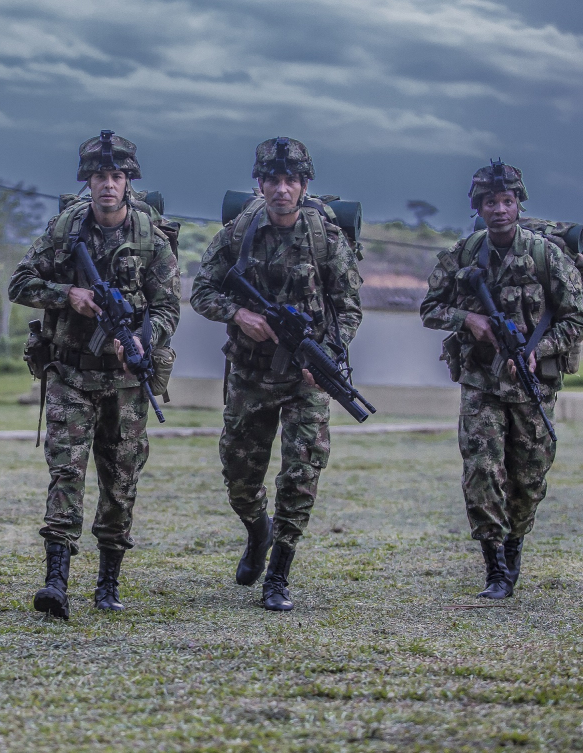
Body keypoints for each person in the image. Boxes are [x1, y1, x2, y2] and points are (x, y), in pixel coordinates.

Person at [8, 131, 180, 619]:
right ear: (88, 181)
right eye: (100, 176)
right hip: (72, 374)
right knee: (66, 472)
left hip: (126, 382)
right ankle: (55, 582)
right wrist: (69, 296)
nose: (108, 184)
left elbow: (169, 306)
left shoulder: (151, 239)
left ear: (128, 182)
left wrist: (146, 340)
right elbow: (19, 283)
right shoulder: (64, 231)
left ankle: (109, 583)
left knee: (120, 480)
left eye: (117, 176)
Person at [190, 137, 363, 612]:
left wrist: (327, 353)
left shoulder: (326, 238)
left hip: (305, 375)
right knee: (239, 475)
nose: (282, 189)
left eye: (291, 180)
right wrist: (240, 315)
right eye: (273, 180)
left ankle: (280, 573)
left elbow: (348, 307)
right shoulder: (238, 233)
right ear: (260, 183)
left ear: (305, 185)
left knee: (302, 470)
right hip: (250, 373)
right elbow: (201, 291)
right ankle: (257, 530)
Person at [420, 161, 583, 598]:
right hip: (481, 382)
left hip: (533, 386)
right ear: (478, 206)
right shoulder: (463, 253)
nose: (499, 209)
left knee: (528, 477)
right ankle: (494, 566)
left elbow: (575, 320)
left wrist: (538, 353)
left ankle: (514, 542)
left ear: (518, 204)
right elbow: (429, 310)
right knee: (481, 469)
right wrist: (469, 319)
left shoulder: (545, 256)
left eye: (507, 201)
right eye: (490, 202)